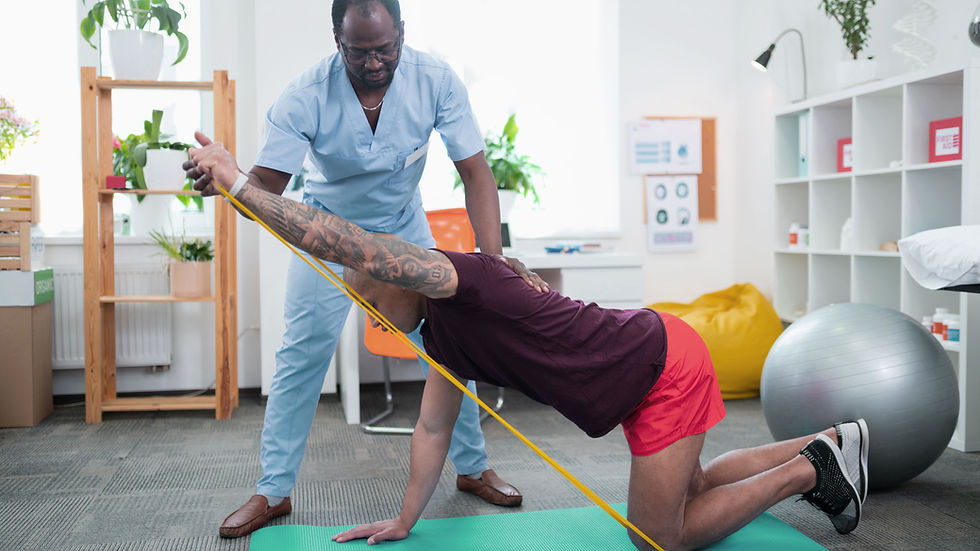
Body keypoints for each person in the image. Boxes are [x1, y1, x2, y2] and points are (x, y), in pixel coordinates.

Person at [186, 146, 871, 551]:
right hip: (645, 365)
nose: (368, 312)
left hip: (661, 367)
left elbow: (343, 242)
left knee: (657, 537)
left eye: (368, 294)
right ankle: (832, 441)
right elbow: (431, 429)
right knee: (690, 487)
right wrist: (402, 519)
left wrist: (241, 186)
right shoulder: (441, 339)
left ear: (395, 271)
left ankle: (808, 472)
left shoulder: (458, 280)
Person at [185, 0, 541, 538]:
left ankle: (473, 467)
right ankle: (272, 491)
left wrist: (490, 267)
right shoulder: (304, 96)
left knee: (451, 345)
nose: (374, 63)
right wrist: (228, 180)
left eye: (385, 49)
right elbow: (265, 194)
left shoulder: (435, 80)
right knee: (301, 354)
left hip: (404, 227)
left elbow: (476, 172)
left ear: (402, 33)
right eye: (359, 52)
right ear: (337, 40)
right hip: (327, 233)